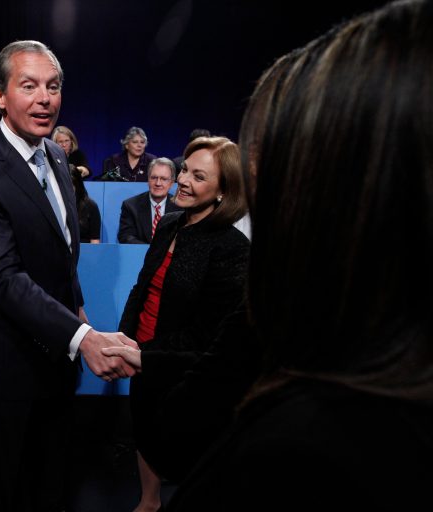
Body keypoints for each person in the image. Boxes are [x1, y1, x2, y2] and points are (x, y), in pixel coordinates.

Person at [113, 1, 433, 509]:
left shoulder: (309, 433)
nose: (267, 175)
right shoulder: (186, 235)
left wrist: (148, 358)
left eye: (277, 153)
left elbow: (207, 365)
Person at [0, 40, 138, 512]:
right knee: (12, 484)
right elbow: (3, 278)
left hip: (60, 354)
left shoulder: (56, 156)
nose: (45, 99)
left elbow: (63, 253)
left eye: (53, 87)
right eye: (29, 86)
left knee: (53, 478)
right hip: (12, 360)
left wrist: (80, 318)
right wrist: (82, 337)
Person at [117, 137, 249, 511]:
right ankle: (148, 501)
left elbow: (206, 337)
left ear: (223, 191)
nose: (184, 180)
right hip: (140, 353)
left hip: (179, 369)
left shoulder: (232, 249)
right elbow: (141, 287)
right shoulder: (170, 225)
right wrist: (126, 338)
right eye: (185, 170)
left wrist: (142, 354)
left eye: (199, 176)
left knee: (181, 450)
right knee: (143, 429)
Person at [117, 157, 180, 244]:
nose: (158, 183)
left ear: (172, 183)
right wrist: (151, 251)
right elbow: (125, 237)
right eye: (154, 178)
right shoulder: (131, 206)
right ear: (148, 180)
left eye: (164, 179)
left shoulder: (180, 207)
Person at [70, 167, 101, 243]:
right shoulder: (54, 204)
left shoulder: (91, 206)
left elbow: (94, 241)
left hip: (84, 251)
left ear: (77, 185)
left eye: (71, 186)